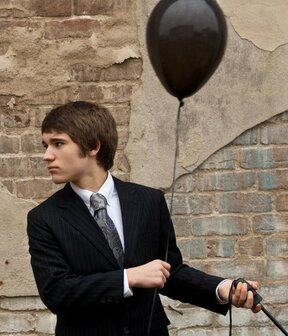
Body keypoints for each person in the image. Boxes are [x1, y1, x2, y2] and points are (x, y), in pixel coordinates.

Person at [27, 101, 261, 335]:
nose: (47, 155)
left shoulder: (149, 201)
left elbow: (171, 272)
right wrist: (129, 278)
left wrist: (221, 289)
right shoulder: (44, 218)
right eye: (45, 145)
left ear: (93, 146)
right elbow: (57, 292)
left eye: (58, 144)